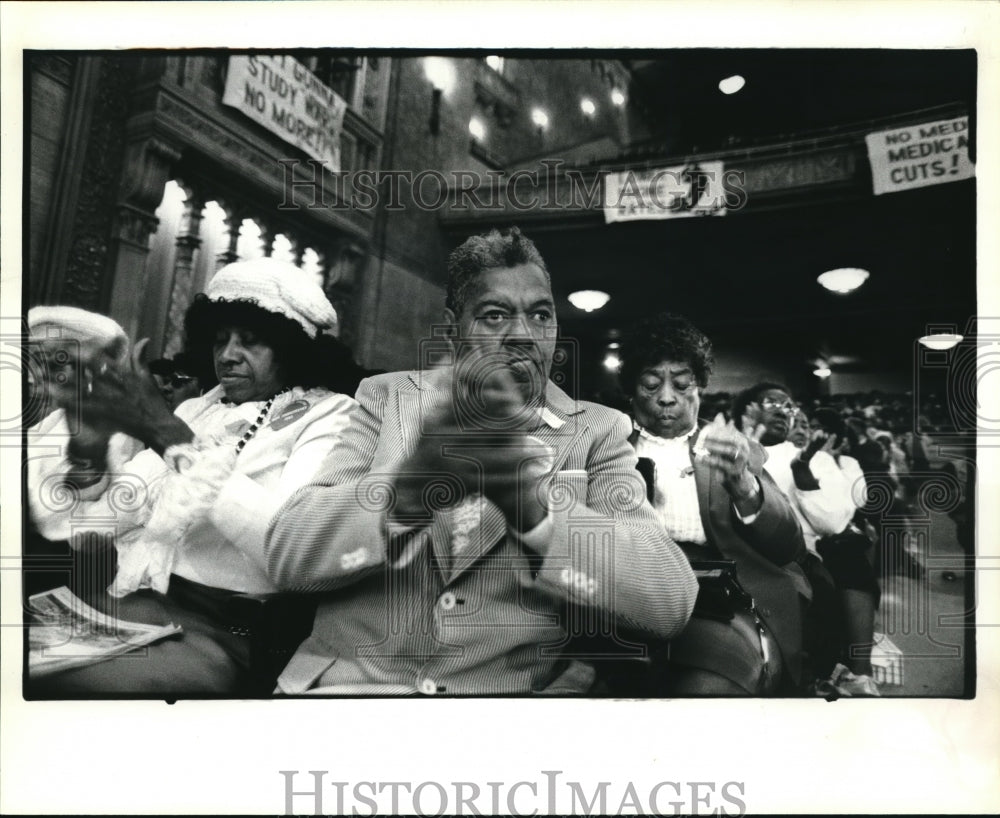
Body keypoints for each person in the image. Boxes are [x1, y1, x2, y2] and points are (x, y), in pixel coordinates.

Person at [265, 227, 698, 695]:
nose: (523, 336)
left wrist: (537, 513)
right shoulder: (386, 399)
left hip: (503, 709)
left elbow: (668, 602)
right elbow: (288, 557)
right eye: (495, 315)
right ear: (453, 328)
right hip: (347, 695)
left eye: (540, 315)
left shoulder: (597, 431)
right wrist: (405, 494)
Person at [27, 258, 357, 695]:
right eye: (220, 340)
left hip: (230, 633)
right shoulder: (195, 410)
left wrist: (168, 437)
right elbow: (93, 532)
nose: (227, 355)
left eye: (251, 341)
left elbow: (292, 547)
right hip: (131, 604)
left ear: (291, 347)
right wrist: (89, 451)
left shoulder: (330, 414)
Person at [618, 313, 810, 694]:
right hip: (626, 591)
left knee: (706, 689)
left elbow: (790, 547)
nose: (667, 397)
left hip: (715, 594)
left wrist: (744, 488)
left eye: (683, 383)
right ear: (631, 390)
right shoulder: (609, 444)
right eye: (651, 384)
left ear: (701, 386)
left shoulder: (729, 446)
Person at [733, 384, 880, 695]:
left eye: (790, 406)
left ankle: (849, 673)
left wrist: (802, 472)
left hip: (801, 557)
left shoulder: (813, 458)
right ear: (747, 410)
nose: (784, 411)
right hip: (737, 554)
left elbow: (833, 522)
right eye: (772, 402)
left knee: (828, 575)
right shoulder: (724, 450)